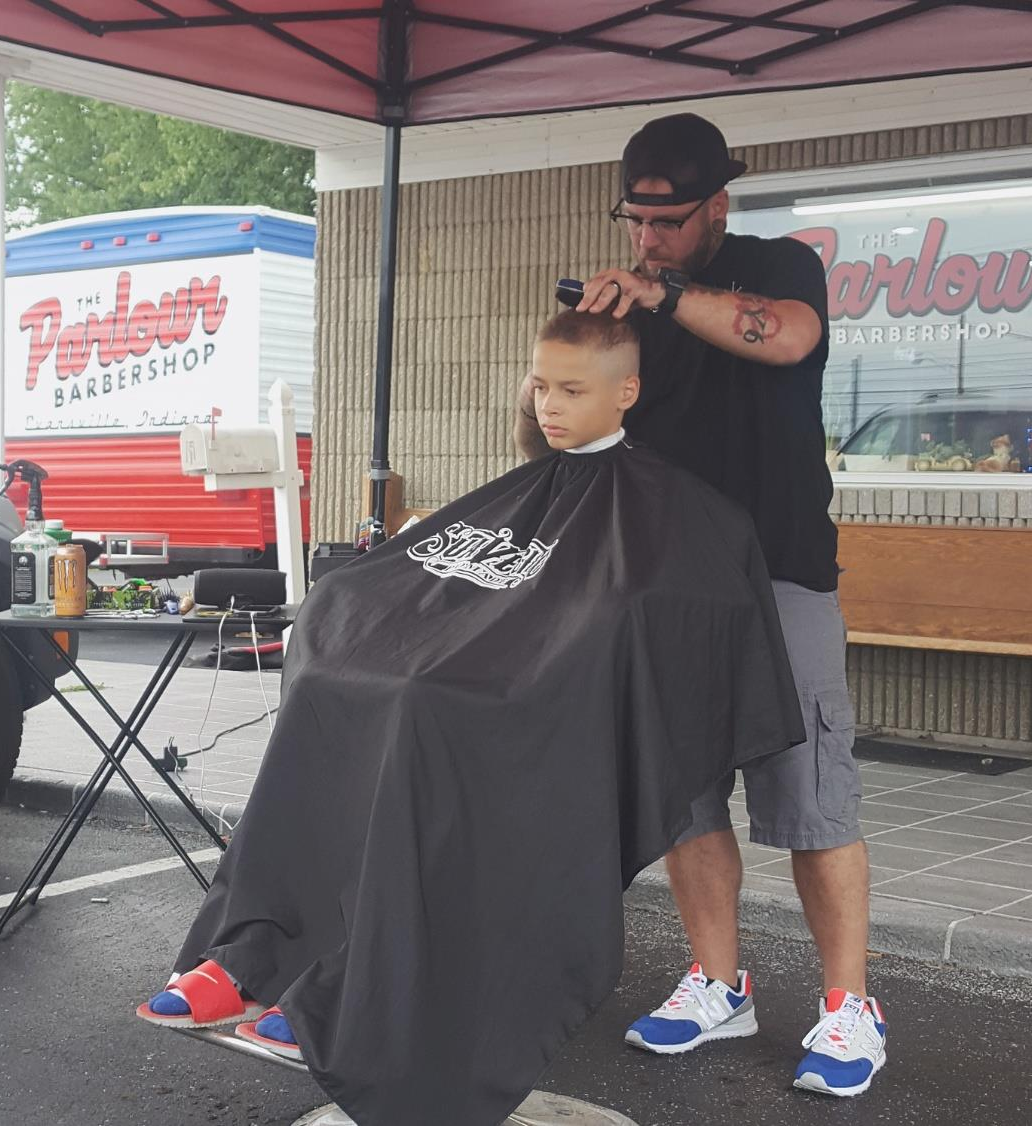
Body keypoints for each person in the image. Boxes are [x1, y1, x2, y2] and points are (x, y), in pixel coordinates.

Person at [137, 309, 805, 1126]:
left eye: (571, 389)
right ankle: (257, 950)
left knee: (423, 713)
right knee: (330, 680)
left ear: (628, 391)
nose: (549, 404)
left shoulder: (676, 514)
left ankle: (349, 986)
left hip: (541, 712)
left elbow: (625, 630)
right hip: (489, 681)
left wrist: (495, 668)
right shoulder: (529, 487)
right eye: (540, 384)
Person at [514, 113, 885, 1099]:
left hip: (783, 575)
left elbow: (787, 336)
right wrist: (571, 348)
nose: (648, 241)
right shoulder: (634, 306)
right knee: (683, 796)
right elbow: (547, 437)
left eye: (669, 222)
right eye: (637, 223)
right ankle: (719, 983)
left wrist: (668, 293)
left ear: (717, 204)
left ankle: (849, 1005)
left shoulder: (781, 264)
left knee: (812, 797)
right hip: (670, 585)